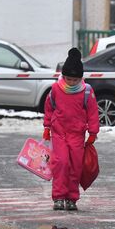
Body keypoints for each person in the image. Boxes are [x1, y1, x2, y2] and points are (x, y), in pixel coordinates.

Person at [43, 47, 100, 211]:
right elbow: (49, 108)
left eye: (75, 80)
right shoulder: (55, 89)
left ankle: (72, 198)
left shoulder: (87, 91)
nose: (71, 82)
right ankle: (59, 197)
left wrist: (93, 132)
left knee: (75, 166)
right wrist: (47, 127)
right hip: (59, 132)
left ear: (80, 78)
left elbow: (93, 112)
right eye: (68, 78)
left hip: (77, 134)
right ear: (64, 76)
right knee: (61, 163)